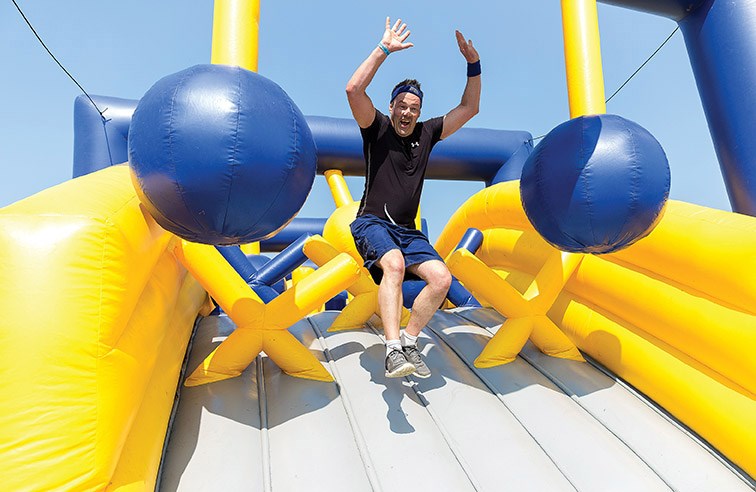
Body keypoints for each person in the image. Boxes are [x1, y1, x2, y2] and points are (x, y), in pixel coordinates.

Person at [345, 17, 481, 378]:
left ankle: (408, 342)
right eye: (402, 106)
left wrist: (473, 65)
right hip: (372, 224)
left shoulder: (427, 132)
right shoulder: (377, 128)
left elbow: (469, 109)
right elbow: (353, 90)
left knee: (441, 278)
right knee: (393, 265)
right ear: (392, 107)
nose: (407, 113)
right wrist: (383, 50)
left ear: (419, 112)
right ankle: (391, 350)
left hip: (407, 231)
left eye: (414, 108)